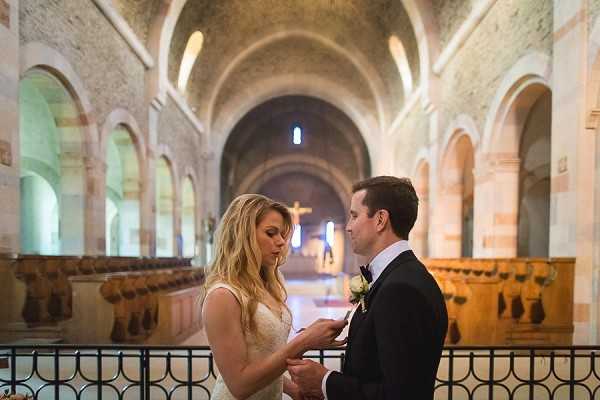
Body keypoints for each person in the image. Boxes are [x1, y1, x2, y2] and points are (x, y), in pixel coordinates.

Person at [287, 176, 448, 400]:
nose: (349, 227)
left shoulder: (401, 290)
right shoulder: (398, 275)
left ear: (380, 219)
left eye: (354, 215)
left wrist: (325, 380)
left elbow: (401, 395)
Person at [202, 194, 347, 400]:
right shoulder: (223, 296)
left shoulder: (269, 282)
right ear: (243, 234)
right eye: (271, 233)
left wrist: (292, 389)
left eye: (282, 234)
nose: (281, 242)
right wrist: (303, 342)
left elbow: (261, 359)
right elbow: (239, 384)